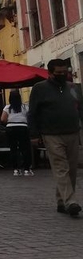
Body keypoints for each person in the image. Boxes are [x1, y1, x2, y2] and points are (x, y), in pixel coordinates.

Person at [28, 58, 83, 217]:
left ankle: (61, 201)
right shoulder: (40, 89)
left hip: (72, 132)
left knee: (71, 169)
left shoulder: (72, 87)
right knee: (61, 167)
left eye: (64, 72)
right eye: (58, 73)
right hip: (51, 134)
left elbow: (80, 108)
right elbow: (32, 113)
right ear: (50, 73)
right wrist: (34, 134)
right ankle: (70, 201)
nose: (62, 75)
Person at [1, 89, 32, 177]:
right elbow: (29, 117)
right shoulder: (25, 107)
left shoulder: (7, 107)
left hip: (10, 128)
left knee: (13, 149)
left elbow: (3, 119)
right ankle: (26, 169)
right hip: (23, 127)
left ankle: (16, 169)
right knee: (25, 149)